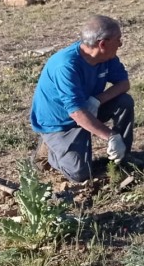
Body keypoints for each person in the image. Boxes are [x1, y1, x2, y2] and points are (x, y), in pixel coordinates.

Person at [30, 15, 134, 183]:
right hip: (61, 123)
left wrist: (98, 100)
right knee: (79, 174)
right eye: (118, 39)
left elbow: (124, 84)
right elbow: (76, 112)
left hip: (86, 109)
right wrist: (110, 136)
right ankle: (49, 150)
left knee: (124, 102)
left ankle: (122, 157)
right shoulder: (66, 66)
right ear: (102, 44)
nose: (120, 44)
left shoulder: (106, 57)